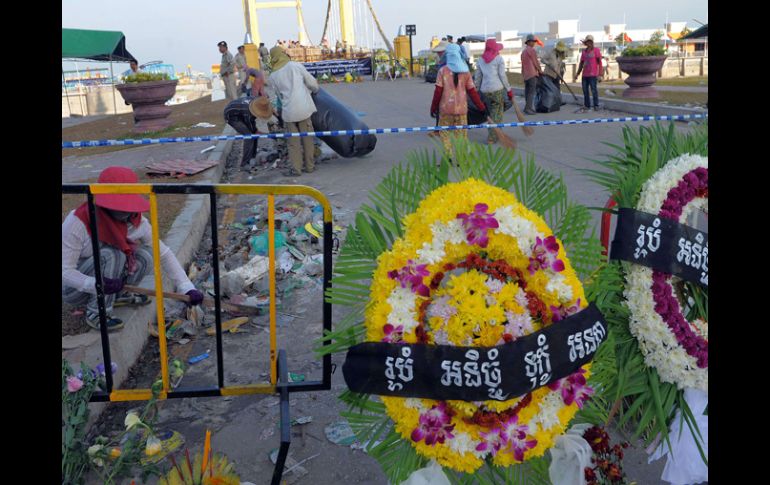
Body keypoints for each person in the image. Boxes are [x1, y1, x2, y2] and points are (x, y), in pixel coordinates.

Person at [62, 167, 204, 331]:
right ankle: (97, 312)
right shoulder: (78, 221)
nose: (124, 212)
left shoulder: (137, 222)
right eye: (118, 206)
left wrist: (186, 287)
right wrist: (95, 284)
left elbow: (163, 254)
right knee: (113, 255)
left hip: (105, 283)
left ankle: (119, 295)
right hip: (75, 289)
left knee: (145, 256)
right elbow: (64, 271)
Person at [266, 46, 320, 177]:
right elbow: (311, 83)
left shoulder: (273, 75)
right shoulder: (295, 66)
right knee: (307, 139)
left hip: (288, 112)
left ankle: (296, 169)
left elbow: (277, 96)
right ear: (283, 54)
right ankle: (310, 167)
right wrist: (315, 90)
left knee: (293, 143)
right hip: (303, 108)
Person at [430, 44, 486, 154]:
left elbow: (438, 92)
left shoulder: (442, 71)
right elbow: (472, 92)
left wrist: (433, 108)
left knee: (445, 134)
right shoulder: (466, 72)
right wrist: (481, 107)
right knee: (461, 136)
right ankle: (462, 159)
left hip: (445, 111)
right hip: (461, 111)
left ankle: (449, 156)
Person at [474, 39, 512, 145]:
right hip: (497, 90)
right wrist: (509, 90)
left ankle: (493, 135)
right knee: (498, 114)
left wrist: (476, 90)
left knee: (490, 114)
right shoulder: (499, 59)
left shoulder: (480, 60)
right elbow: (502, 76)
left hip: (485, 91)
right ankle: (493, 137)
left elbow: (478, 77)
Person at [224, 94, 272, 167]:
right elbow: (250, 126)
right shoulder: (248, 112)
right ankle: (245, 163)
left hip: (240, 112)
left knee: (254, 134)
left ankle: (253, 156)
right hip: (231, 116)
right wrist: (256, 131)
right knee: (249, 136)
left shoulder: (257, 101)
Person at [573, 35, 602, 112]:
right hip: (585, 75)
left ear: (592, 42)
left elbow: (600, 63)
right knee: (585, 90)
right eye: (587, 42)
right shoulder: (584, 52)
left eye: (590, 42)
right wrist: (577, 74)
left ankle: (596, 105)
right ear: (586, 43)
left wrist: (600, 74)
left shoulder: (596, 50)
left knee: (594, 90)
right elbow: (581, 64)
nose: (588, 43)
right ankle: (587, 105)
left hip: (593, 75)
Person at [521, 34, 543, 115]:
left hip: (526, 75)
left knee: (527, 92)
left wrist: (523, 74)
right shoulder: (532, 50)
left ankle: (526, 107)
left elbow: (523, 65)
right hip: (532, 74)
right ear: (529, 42)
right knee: (531, 92)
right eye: (533, 41)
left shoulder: (523, 52)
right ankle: (528, 109)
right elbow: (535, 62)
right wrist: (540, 70)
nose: (534, 43)